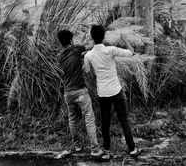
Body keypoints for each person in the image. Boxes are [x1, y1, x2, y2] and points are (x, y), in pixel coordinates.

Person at [84, 25, 141, 158]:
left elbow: (87, 71)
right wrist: (124, 39)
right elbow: (131, 52)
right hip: (116, 90)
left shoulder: (89, 55)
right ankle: (132, 149)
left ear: (92, 37)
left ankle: (107, 149)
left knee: (105, 122)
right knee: (124, 119)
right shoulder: (111, 50)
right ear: (104, 36)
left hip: (102, 93)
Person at [57, 30, 109, 161]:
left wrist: (82, 54)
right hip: (80, 91)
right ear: (70, 40)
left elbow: (74, 57)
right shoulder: (76, 49)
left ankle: (77, 146)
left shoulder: (60, 56)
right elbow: (91, 47)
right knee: (89, 118)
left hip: (67, 93)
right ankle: (95, 150)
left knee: (72, 119)